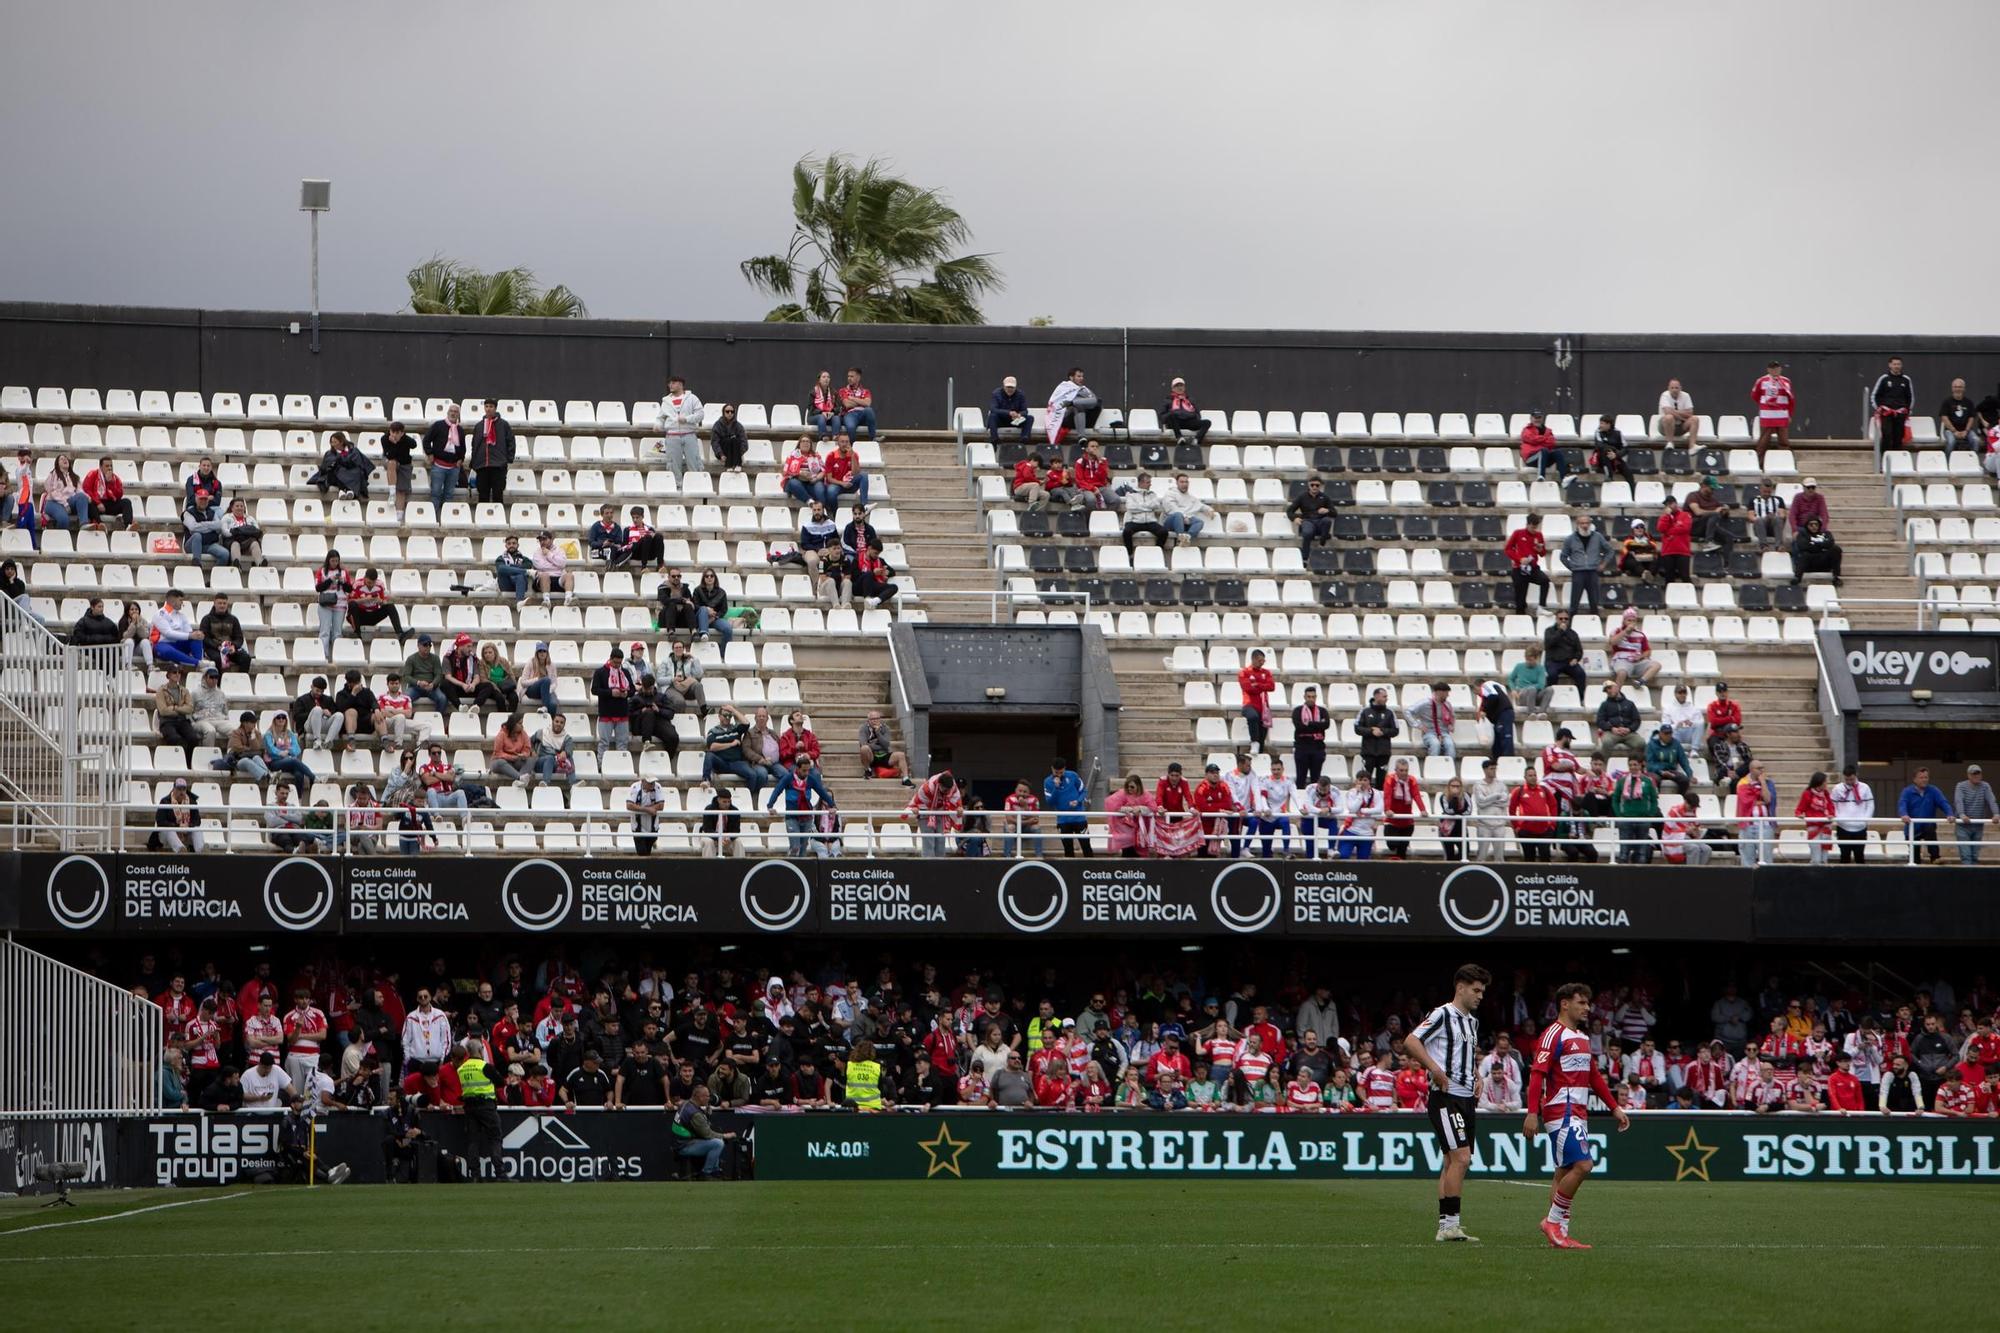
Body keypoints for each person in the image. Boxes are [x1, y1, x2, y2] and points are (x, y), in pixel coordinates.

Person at [1526, 982, 1631, 1249]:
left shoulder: (1582, 1038)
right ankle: (1552, 1222)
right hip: (1562, 1111)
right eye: (1581, 1003)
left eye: (1588, 1003)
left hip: (1579, 1112)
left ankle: (1559, 1234)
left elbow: (1594, 1076)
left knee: (1563, 1173)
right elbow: (1537, 1075)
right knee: (1583, 1165)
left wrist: (1614, 1107)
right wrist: (1531, 1113)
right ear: (1565, 1004)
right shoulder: (1552, 1035)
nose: (1587, 1008)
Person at [1405, 964, 1489, 1243]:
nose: (1480, 996)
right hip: (1445, 1096)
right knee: (1461, 1158)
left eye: (1482, 991)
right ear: (1460, 988)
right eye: (1476, 990)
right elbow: (1411, 1041)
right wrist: (1434, 1069)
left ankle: (1446, 1226)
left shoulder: (1472, 1022)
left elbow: (1462, 1054)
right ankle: (1451, 1225)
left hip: (1466, 1097)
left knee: (1451, 1161)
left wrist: (1476, 1074)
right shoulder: (1442, 1014)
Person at [1898, 766, 1952, 864]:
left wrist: (1949, 814)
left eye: (1926, 777)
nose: (1924, 780)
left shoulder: (1934, 790)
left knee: (1931, 833)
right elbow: (1902, 804)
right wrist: (1904, 814)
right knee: (1915, 859)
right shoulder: (1907, 791)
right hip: (1912, 828)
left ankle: (1935, 858)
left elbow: (1943, 803)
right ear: (1914, 779)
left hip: (1928, 826)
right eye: (1921, 777)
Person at [1610, 765, 1660, 863]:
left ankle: (1640, 877)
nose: (1633, 767)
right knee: (1624, 854)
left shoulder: (1647, 781)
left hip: (1643, 820)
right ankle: (1622, 877)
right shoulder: (1622, 781)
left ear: (1640, 766)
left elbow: (1654, 800)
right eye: (1631, 764)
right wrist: (1619, 815)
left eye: (1635, 764)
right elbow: (1615, 799)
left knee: (1642, 854)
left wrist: (1650, 815)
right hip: (1625, 820)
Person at [1560, 514, 1609, 614]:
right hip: (1578, 573)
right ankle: (1570, 625)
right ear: (1577, 524)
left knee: (1594, 602)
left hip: (1592, 572)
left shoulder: (1598, 537)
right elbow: (1563, 556)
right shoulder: (1570, 539)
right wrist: (1572, 567)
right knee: (1574, 603)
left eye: (1587, 523)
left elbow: (1609, 551)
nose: (1585, 525)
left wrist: (1603, 564)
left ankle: (1595, 623)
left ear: (1590, 524)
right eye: (1582, 523)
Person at [1043, 757, 1090, 857]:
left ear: (1064, 768)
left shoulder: (1073, 775)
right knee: (1068, 850)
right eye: (1056, 772)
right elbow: (1050, 803)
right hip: (1063, 820)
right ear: (1052, 769)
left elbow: (1083, 791)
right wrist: (1056, 788)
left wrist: (1078, 801)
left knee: (1086, 847)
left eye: (1061, 772)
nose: (1059, 775)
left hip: (1079, 818)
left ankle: (1090, 871)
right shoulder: (1047, 782)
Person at [1509, 768, 1560, 862]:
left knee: (1545, 857)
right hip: (1526, 832)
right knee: (1529, 859)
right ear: (1525, 777)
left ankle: (1545, 876)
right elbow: (1512, 809)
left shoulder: (1544, 790)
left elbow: (1553, 805)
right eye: (1530, 775)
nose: (1533, 778)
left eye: (1535, 775)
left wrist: (1552, 824)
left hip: (1544, 831)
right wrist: (1517, 827)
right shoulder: (1519, 791)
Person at [422, 405, 468, 508]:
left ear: (458, 414)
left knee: (449, 495)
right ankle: (434, 518)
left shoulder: (460, 430)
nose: (453, 413)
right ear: (447, 413)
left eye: (456, 412)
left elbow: (463, 447)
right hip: (438, 466)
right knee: (435, 493)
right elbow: (426, 440)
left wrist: (461, 459)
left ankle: (446, 517)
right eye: (451, 411)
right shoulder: (438, 425)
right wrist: (429, 453)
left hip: (453, 468)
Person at [1352, 686, 1398, 787]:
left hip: (1383, 753)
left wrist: (1383, 732)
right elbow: (1357, 728)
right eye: (1384, 696)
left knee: (1381, 783)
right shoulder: (1365, 711)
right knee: (1364, 780)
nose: (1387, 698)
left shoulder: (1390, 713)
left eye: (1386, 696)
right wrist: (1371, 731)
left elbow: (1395, 730)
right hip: (1368, 752)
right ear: (1377, 696)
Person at [1380, 758, 1425, 859]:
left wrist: (1423, 809)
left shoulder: (1412, 780)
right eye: (1401, 770)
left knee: (1402, 850)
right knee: (1392, 844)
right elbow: (1387, 795)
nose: (1404, 773)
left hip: (1407, 822)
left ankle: (1400, 868)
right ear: (1396, 770)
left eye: (1406, 770)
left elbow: (1416, 795)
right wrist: (1387, 809)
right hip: (1392, 820)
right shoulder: (1390, 779)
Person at [1734, 759, 1776, 867]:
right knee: (1747, 859)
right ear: (1752, 770)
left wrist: (1762, 783)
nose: (1762, 771)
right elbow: (1746, 801)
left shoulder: (1768, 782)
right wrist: (1757, 800)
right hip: (1748, 824)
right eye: (1759, 768)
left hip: (1765, 825)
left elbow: (1767, 800)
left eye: (1763, 768)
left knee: (1767, 858)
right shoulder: (1742, 783)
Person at [1505, 513, 1550, 613]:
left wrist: (1539, 549)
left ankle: (1541, 607)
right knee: (1520, 599)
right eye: (1532, 527)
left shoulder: (1539, 535)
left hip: (1533, 568)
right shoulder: (1518, 533)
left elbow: (1543, 553)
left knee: (1545, 581)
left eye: (1536, 527)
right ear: (1528, 524)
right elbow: (1508, 549)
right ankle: (1520, 616)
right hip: (1519, 568)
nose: (1534, 529)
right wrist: (1519, 559)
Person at [1952, 764, 1996, 865]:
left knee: (1975, 855)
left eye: (1978, 773)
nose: (1976, 776)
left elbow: (1992, 800)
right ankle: (1968, 878)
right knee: (1966, 856)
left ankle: (1973, 878)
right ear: (1968, 775)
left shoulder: (1985, 786)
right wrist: (1962, 814)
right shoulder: (1961, 786)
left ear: (1981, 775)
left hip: (1978, 825)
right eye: (1973, 774)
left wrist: (1996, 814)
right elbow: (1958, 801)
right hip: (1963, 826)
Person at [1830, 763, 1875, 863]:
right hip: (1843, 827)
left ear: (1856, 775)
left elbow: (1870, 805)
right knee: (1844, 856)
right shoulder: (1837, 788)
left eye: (1852, 779)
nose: (1849, 782)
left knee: (1859, 856)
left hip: (1860, 827)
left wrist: (1865, 820)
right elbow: (1832, 805)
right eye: (1847, 780)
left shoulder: (1865, 787)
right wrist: (1839, 819)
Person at [1749, 361, 1794, 460]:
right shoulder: (1761, 380)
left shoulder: (1786, 381)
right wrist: (1765, 406)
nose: (1775, 370)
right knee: (1763, 441)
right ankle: (1759, 463)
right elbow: (1754, 395)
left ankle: (1784, 462)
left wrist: (1789, 414)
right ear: (1768, 370)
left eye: (1777, 368)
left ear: (1780, 369)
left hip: (1782, 415)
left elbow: (1791, 399)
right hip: (1767, 415)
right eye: (1772, 368)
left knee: (1784, 441)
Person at [1870, 355, 1914, 455]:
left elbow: (1910, 397)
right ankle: (1883, 461)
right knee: (1887, 435)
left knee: (1898, 437)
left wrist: (1907, 410)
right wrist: (1879, 408)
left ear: (1901, 365)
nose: (1896, 366)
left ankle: (1896, 462)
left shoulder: (1906, 380)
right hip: (1886, 413)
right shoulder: (1884, 379)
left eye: (1898, 364)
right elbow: (1874, 395)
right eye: (1894, 364)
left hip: (1900, 414)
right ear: (1890, 365)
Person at [198, 594, 252, 673]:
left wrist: (233, 646)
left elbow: (239, 638)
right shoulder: (207, 619)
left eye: (224, 603)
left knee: (246, 658)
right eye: (219, 603)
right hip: (213, 648)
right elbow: (205, 638)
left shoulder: (233, 619)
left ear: (227, 604)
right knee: (217, 659)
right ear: (214, 603)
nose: (222, 606)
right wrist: (218, 647)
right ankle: (218, 683)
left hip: (229, 648)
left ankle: (240, 681)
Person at [312, 431, 373, 499]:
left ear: (341, 442)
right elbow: (326, 466)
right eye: (332, 442)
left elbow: (358, 463)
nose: (333, 444)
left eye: (335, 442)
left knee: (357, 471)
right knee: (338, 470)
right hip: (335, 476)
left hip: (352, 474)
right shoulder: (329, 453)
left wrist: (344, 461)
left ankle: (347, 491)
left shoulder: (353, 451)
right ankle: (345, 490)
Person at [1120, 473, 1172, 553]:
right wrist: (1148, 508)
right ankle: (1129, 554)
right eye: (1148, 482)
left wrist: (1139, 507)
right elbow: (1131, 507)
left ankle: (1157, 552)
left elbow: (1156, 505)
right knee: (1126, 532)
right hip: (1134, 521)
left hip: (1150, 522)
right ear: (1141, 483)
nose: (1150, 484)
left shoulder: (1152, 494)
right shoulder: (1131, 494)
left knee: (1164, 532)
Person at [1685, 475, 1735, 558]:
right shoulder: (1693, 496)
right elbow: (1697, 512)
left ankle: (1727, 565)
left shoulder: (1713, 500)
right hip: (1693, 526)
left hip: (1707, 529)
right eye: (1711, 488)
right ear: (1703, 486)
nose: (1713, 491)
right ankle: (1709, 542)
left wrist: (1725, 512)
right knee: (1714, 514)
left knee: (1728, 537)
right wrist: (1715, 511)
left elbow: (1721, 514)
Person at [1286, 476, 1334, 562]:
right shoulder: (1302, 497)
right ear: (1309, 485)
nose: (1314, 487)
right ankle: (1305, 558)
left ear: (1320, 486)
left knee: (1327, 520)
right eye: (1312, 485)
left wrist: (1327, 510)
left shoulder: (1325, 497)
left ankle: (1322, 541)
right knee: (1307, 533)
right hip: (1308, 521)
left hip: (1320, 522)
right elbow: (1289, 510)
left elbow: (1334, 513)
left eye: (1317, 485)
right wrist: (1295, 518)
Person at [314, 551, 352, 658]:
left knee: (337, 632)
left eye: (337, 561)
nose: (335, 563)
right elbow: (318, 588)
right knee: (324, 631)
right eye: (332, 561)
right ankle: (323, 656)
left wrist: (342, 582)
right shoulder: (322, 571)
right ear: (328, 560)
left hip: (340, 605)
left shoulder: (344, 572)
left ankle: (337, 656)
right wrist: (330, 580)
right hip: (325, 604)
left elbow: (349, 589)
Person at [151, 591, 204, 668]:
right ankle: (198, 663)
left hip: (178, 644)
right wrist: (190, 635)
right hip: (162, 644)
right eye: (180, 600)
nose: (182, 603)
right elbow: (168, 633)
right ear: (172, 601)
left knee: (197, 637)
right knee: (167, 651)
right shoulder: (160, 614)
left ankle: (198, 662)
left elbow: (189, 633)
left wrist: (197, 635)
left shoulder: (182, 616)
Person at [1046, 367, 1098, 445]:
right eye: (1078, 376)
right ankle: (1081, 437)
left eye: (1082, 376)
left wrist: (1073, 402)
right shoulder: (1064, 386)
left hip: (1082, 417)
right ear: (1071, 377)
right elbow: (1056, 402)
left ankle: (1073, 403)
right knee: (1077, 407)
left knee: (1096, 401)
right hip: (1064, 417)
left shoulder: (1084, 389)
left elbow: (1094, 401)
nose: (1081, 378)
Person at [1406, 681, 1457, 759]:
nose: (1448, 695)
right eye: (1446, 693)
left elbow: (1452, 716)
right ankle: (1432, 767)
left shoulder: (1447, 705)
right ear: (1440, 692)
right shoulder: (1425, 703)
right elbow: (1408, 711)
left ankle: (1450, 768)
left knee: (1450, 745)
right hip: (1429, 732)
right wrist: (1417, 725)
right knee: (1435, 744)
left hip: (1444, 732)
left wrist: (1451, 724)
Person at [1337, 772, 1381, 860]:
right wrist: (1360, 794)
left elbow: (1379, 810)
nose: (1362, 782)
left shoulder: (1376, 793)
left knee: (1363, 861)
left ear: (1369, 781)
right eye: (1360, 780)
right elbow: (1352, 809)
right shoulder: (1351, 793)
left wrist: (1363, 811)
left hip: (1367, 834)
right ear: (1356, 781)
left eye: (1365, 780)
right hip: (1351, 831)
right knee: (1343, 856)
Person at [1794, 770, 1835, 865]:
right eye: (1825, 781)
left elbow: (1831, 807)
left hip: (1826, 827)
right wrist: (1799, 814)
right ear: (1819, 782)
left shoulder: (1826, 793)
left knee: (1824, 859)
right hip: (1813, 828)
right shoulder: (1807, 794)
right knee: (1816, 858)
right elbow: (1800, 809)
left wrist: (1831, 814)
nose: (1826, 783)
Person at [1291, 683, 1330, 784]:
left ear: (1316, 697)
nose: (1311, 699)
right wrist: (1317, 725)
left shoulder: (1322, 711)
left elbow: (1326, 725)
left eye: (1313, 697)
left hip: (1318, 747)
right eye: (1308, 697)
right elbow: (1299, 727)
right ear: (1304, 697)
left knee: (1316, 779)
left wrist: (1308, 723)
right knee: (1300, 778)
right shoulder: (1297, 711)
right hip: (1302, 747)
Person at [81, 456, 133, 529]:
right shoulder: (93, 474)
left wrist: (110, 483)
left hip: (110, 504)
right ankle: (99, 524)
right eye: (107, 466)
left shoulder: (115, 478)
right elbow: (86, 489)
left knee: (126, 502)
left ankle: (128, 526)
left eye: (111, 466)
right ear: (101, 467)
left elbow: (119, 495)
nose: (110, 468)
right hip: (97, 503)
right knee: (90, 504)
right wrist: (98, 502)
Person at [1162, 472, 1217, 542]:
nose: (1184, 484)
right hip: (1171, 522)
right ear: (1177, 483)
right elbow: (1172, 508)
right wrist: (1184, 517)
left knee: (1199, 522)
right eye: (1182, 482)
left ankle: (1187, 537)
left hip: (1186, 522)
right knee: (1178, 515)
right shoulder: (1170, 494)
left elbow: (1200, 505)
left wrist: (1210, 510)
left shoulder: (1190, 497)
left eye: (1186, 482)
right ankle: (1180, 538)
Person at [1238, 649, 1276, 749]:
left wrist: (1257, 684)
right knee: (1252, 717)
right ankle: (1254, 741)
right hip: (1249, 704)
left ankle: (1259, 750)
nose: (1262, 663)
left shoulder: (1266, 672)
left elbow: (1271, 686)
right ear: (1253, 659)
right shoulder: (1245, 672)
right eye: (1260, 660)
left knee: (1262, 736)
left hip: (1263, 707)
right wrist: (1262, 686)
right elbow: (1247, 688)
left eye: (1263, 661)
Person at [1789, 516, 1843, 586]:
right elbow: (1803, 546)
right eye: (1811, 525)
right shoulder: (1802, 534)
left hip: (1824, 562)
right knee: (1805, 554)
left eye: (1816, 524)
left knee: (1836, 549)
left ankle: (1836, 577)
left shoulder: (1826, 533)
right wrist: (1822, 546)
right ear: (1807, 526)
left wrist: (1813, 545)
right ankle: (1797, 578)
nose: (1814, 526)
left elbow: (1831, 543)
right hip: (1809, 563)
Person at [1160, 376, 1211, 445]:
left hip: (1189, 422)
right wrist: (1172, 413)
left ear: (1184, 388)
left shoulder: (1190, 400)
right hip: (1175, 423)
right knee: (1172, 415)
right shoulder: (1167, 400)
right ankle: (1179, 438)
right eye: (1177, 386)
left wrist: (1192, 416)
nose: (1179, 388)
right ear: (1172, 388)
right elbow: (1162, 417)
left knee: (1207, 422)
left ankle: (1196, 440)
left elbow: (1197, 415)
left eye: (1181, 385)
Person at [1655, 494, 1693, 584]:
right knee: (1669, 578)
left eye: (1670, 503)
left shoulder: (1685, 515)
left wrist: (1669, 531)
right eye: (1667, 505)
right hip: (1668, 551)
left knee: (1685, 576)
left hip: (1682, 551)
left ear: (1675, 504)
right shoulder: (1664, 517)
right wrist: (1667, 516)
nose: (1669, 506)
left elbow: (1685, 528)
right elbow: (1661, 528)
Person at [531, 531, 576, 606]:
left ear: (551, 540)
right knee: (544, 575)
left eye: (544, 539)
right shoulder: (537, 553)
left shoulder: (559, 550)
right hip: (542, 580)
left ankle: (568, 599)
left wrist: (549, 554)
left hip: (558, 579)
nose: (542, 542)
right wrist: (556, 566)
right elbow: (541, 566)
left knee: (569, 575)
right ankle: (546, 601)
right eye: (540, 540)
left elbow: (562, 564)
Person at [1940, 378, 1981, 456]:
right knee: (1951, 442)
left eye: (1960, 387)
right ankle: (1947, 463)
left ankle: (1973, 462)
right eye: (1955, 387)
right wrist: (1954, 431)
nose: (1958, 389)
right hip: (1950, 431)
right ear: (1952, 388)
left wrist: (1966, 430)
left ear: (1964, 389)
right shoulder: (1947, 402)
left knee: (1975, 440)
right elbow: (1944, 418)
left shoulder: (1969, 402)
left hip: (1966, 430)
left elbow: (1971, 418)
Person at [1519, 410, 1565, 479]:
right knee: (1543, 450)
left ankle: (1564, 479)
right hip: (1531, 459)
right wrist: (1545, 439)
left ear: (1542, 419)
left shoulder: (1548, 430)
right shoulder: (1526, 430)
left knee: (1558, 453)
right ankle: (1541, 476)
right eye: (1535, 418)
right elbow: (1532, 439)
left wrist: (1539, 440)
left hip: (1545, 457)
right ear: (1531, 419)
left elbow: (1552, 442)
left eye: (1539, 417)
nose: (1538, 420)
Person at [691, 567, 732, 644]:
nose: (709, 578)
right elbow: (695, 606)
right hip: (699, 618)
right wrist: (707, 610)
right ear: (704, 578)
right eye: (707, 576)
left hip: (714, 619)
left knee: (728, 629)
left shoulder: (721, 592)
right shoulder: (697, 590)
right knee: (703, 609)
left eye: (711, 576)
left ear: (715, 578)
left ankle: (723, 654)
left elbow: (724, 609)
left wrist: (715, 617)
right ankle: (704, 633)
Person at [988, 375, 1032, 444]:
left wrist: (1019, 414)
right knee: (992, 416)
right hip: (1001, 420)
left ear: (1015, 387)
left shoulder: (1021, 395)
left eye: (1012, 387)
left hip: (1015, 420)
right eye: (1008, 387)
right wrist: (1008, 413)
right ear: (1004, 386)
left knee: (1030, 418)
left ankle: (1024, 439)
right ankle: (994, 439)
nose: (1010, 389)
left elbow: (1025, 411)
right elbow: (993, 409)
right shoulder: (996, 393)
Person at [1588, 416, 1632, 483]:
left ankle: (1632, 492)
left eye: (1602, 423)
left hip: (1615, 458)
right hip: (1602, 460)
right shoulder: (1598, 432)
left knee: (1628, 472)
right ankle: (1609, 475)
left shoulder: (1618, 432)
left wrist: (1616, 455)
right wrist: (1612, 450)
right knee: (1605, 450)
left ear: (1608, 424)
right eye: (1600, 423)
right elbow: (1600, 446)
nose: (1600, 425)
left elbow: (1625, 448)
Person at [837, 367, 877, 440]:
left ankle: (873, 438)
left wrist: (853, 398)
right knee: (851, 427)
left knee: (869, 410)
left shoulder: (866, 391)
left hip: (862, 414)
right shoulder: (843, 390)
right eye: (848, 376)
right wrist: (862, 402)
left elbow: (868, 403)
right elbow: (847, 404)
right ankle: (852, 447)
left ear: (858, 378)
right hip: (850, 414)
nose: (849, 378)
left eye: (852, 376)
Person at [1749, 478, 1787, 550]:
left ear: (1772, 490)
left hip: (1773, 525)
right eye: (1765, 492)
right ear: (1760, 489)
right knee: (1759, 520)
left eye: (1769, 492)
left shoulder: (1778, 500)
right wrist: (1764, 518)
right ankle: (1764, 546)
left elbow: (1783, 515)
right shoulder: (1753, 500)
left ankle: (1778, 546)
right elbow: (1750, 516)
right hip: (1759, 526)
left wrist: (1774, 516)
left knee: (1778, 519)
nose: (1767, 494)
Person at [1657, 378, 1698, 443]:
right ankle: (1670, 444)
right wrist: (1682, 417)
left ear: (1680, 388)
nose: (1674, 390)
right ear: (1668, 388)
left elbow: (1690, 413)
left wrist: (1674, 411)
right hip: (1665, 427)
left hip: (1681, 426)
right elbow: (1668, 412)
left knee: (1695, 419)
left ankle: (1692, 446)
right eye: (1672, 388)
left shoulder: (1686, 395)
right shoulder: (1664, 395)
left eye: (1676, 388)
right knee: (1669, 417)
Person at [709, 403, 748, 471]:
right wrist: (720, 454)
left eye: (732, 412)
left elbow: (744, 441)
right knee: (728, 440)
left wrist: (738, 453)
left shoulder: (738, 426)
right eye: (727, 411)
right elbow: (715, 441)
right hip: (724, 450)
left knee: (735, 440)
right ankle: (729, 465)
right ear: (723, 413)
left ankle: (737, 465)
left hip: (735, 451)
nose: (730, 413)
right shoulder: (717, 425)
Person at [807, 370, 840, 437]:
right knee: (821, 417)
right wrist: (821, 412)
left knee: (836, 418)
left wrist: (833, 412)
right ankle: (823, 436)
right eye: (824, 377)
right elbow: (810, 407)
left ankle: (835, 436)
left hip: (829, 416)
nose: (826, 379)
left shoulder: (834, 392)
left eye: (828, 377)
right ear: (819, 380)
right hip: (814, 417)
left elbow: (838, 407)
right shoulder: (813, 392)